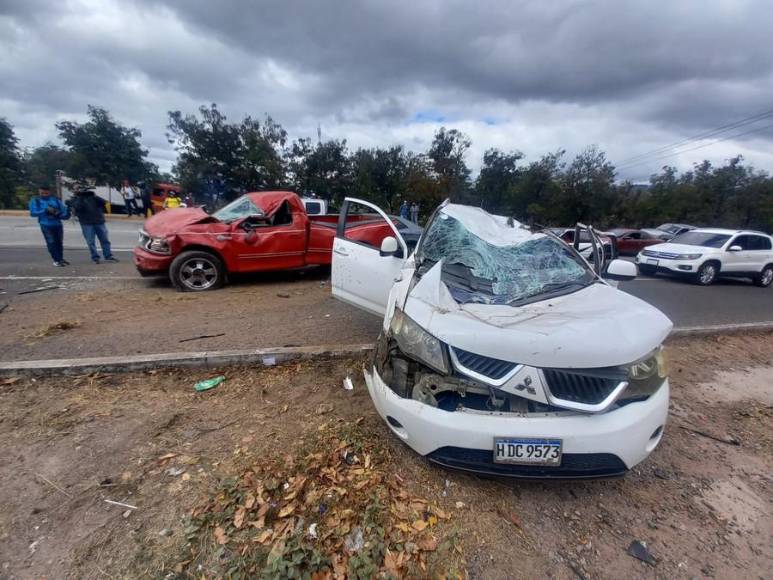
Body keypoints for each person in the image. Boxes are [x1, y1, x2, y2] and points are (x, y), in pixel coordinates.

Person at [70, 189, 118, 264]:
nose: (86, 194)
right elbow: (77, 207)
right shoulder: (76, 199)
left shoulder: (94, 198)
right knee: (90, 242)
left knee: (105, 240)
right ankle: (95, 257)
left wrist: (95, 196)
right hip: (86, 223)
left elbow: (105, 202)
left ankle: (108, 256)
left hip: (99, 222)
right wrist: (80, 197)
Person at [29, 185, 70, 267]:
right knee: (51, 242)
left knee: (59, 242)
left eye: (46, 193)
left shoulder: (55, 200)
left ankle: (60, 258)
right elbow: (33, 213)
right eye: (42, 193)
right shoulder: (35, 201)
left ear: (49, 192)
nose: (44, 194)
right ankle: (56, 260)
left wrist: (66, 213)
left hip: (57, 224)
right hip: (45, 224)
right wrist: (45, 211)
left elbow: (63, 212)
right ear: (39, 191)